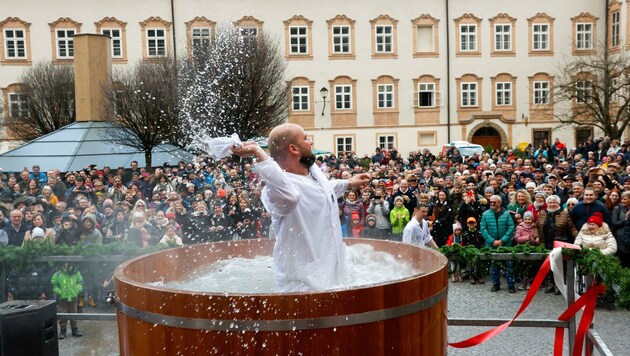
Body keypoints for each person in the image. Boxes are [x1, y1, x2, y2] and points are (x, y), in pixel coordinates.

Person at [231, 123, 370, 292]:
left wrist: (348, 183)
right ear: (294, 149)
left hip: (330, 276)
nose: (310, 142)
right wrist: (259, 153)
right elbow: (291, 196)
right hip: (301, 287)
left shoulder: (311, 174)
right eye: (305, 138)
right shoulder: (275, 191)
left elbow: (323, 190)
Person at [480, 195, 516, 293]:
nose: (492, 204)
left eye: (494, 202)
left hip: (505, 244)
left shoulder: (506, 214)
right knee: (494, 265)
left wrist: (502, 240)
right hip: (491, 244)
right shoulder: (485, 214)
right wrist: (492, 241)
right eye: (490, 202)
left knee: (509, 265)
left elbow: (511, 227)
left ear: (499, 203)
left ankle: (511, 285)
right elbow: (483, 229)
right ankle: (495, 284)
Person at [51, 263, 83, 339]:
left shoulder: (76, 272)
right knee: (62, 313)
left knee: (74, 313)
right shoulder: (58, 274)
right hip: (62, 298)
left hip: (73, 297)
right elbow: (53, 284)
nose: (67, 264)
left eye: (68, 262)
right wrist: (59, 292)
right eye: (65, 262)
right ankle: (63, 330)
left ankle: (74, 329)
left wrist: (76, 291)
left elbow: (81, 282)